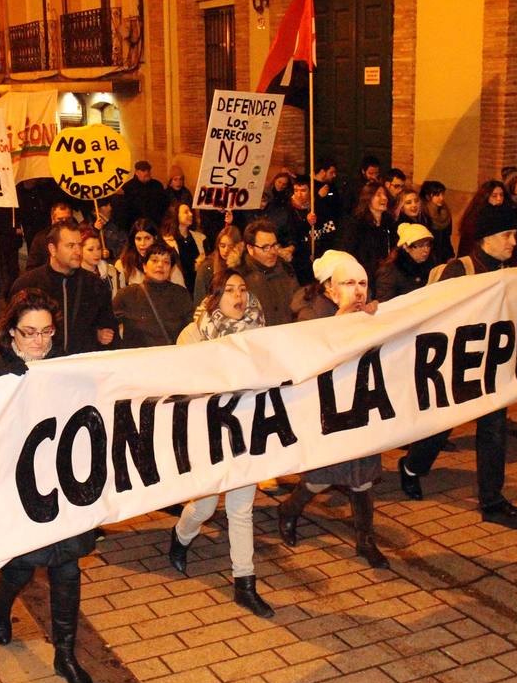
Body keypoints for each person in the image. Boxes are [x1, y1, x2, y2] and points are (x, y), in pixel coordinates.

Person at [0, 291, 97, 683]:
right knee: (24, 565)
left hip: (63, 482)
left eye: (47, 331)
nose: (40, 342)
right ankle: (2, 602)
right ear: (12, 331)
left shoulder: (63, 364)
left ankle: (65, 653)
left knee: (67, 566)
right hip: (18, 485)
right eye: (30, 333)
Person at [398, 204, 517, 530]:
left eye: (514, 234)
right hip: (456, 368)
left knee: (494, 431)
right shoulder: (459, 271)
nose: (513, 242)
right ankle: (412, 467)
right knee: (443, 425)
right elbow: (437, 318)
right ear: (486, 238)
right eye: (507, 235)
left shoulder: (507, 273)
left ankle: (492, 501)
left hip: (491, 369)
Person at [169, 270, 273, 617]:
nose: (238, 296)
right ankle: (181, 536)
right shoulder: (194, 335)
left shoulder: (260, 332)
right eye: (229, 290)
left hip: (245, 431)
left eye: (243, 288)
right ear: (215, 296)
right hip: (208, 432)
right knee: (205, 505)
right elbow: (181, 385)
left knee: (242, 508)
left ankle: (245, 582)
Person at [278, 251, 389, 569]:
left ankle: (365, 540)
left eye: (363, 283)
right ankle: (289, 510)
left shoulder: (365, 314)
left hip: (360, 405)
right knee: (321, 475)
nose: (358, 290)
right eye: (349, 283)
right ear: (330, 288)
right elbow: (311, 358)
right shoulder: (310, 316)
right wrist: (343, 321)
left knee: (362, 476)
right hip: (327, 408)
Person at [8, 219, 117, 355]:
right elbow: (10, 333)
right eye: (71, 246)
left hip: (83, 366)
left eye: (79, 245)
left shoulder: (95, 285)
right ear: (52, 249)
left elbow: (108, 329)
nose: (78, 251)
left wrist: (99, 335)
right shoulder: (27, 285)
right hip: (41, 367)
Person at [113, 244, 193, 348]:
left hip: (172, 359)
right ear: (144, 266)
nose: (160, 265)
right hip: (139, 360)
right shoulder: (127, 295)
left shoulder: (181, 294)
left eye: (166, 262)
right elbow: (107, 323)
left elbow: (190, 329)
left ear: (171, 269)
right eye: (155, 260)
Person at [241, 219, 300, 328]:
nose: (273, 252)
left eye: (274, 245)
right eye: (265, 247)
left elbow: (298, 307)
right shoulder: (240, 278)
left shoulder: (287, 270)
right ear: (250, 248)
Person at [336, 181, 396, 277]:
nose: (384, 198)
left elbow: (394, 243)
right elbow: (348, 249)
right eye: (378, 195)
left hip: (384, 271)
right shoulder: (357, 223)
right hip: (362, 272)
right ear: (368, 198)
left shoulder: (389, 221)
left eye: (385, 195)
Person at [272, 175, 318, 284]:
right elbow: (289, 233)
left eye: (303, 190)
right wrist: (305, 223)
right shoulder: (287, 208)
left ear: (310, 191)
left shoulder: (316, 206)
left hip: (314, 253)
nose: (299, 194)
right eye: (296, 190)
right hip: (298, 257)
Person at [115, 218, 186, 287]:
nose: (142, 243)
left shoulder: (166, 261)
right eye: (138, 239)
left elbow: (181, 291)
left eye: (147, 238)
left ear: (155, 238)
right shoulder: (124, 264)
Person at [375, 223, 436, 302]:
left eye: (428, 245)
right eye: (420, 245)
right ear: (406, 247)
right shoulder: (390, 271)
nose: (426, 250)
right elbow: (384, 304)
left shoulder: (429, 265)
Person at [192, 225, 243, 305]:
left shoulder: (242, 265)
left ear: (238, 247)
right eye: (222, 246)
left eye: (231, 246)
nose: (226, 250)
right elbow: (199, 299)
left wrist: (234, 264)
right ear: (217, 245)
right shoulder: (207, 267)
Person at [162, 202, 206, 294]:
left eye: (190, 211)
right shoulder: (167, 241)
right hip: (177, 287)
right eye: (186, 212)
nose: (191, 214)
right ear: (176, 215)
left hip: (197, 286)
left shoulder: (200, 238)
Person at [457, 179, 510, 255]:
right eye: (494, 196)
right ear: (486, 197)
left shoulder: (507, 214)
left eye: (501, 195)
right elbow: (468, 245)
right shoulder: (476, 216)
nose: (499, 199)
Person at [118, 160, 166, 230]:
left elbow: (163, 204)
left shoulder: (157, 185)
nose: (147, 172)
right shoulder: (128, 187)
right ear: (137, 172)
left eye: (148, 170)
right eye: (143, 170)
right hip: (136, 226)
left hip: (155, 225)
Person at [27, 202, 75, 271]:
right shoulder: (40, 238)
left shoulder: (79, 236)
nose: (64, 222)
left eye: (68, 219)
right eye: (60, 219)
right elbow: (31, 267)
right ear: (52, 219)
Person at [420, 181, 454, 264]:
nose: (441, 198)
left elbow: (447, 238)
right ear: (428, 196)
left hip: (442, 255)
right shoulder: (423, 213)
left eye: (442, 194)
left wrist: (450, 255)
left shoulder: (445, 212)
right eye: (437, 195)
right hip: (428, 256)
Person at [79, 227, 120, 297]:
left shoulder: (111, 271)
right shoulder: (74, 275)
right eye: (90, 249)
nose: (96, 253)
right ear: (80, 250)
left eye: (98, 248)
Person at [93, 194, 127, 261]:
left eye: (109, 205)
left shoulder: (115, 223)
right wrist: (95, 230)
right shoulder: (89, 225)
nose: (110, 208)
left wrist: (111, 253)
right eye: (106, 205)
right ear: (98, 209)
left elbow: (124, 243)